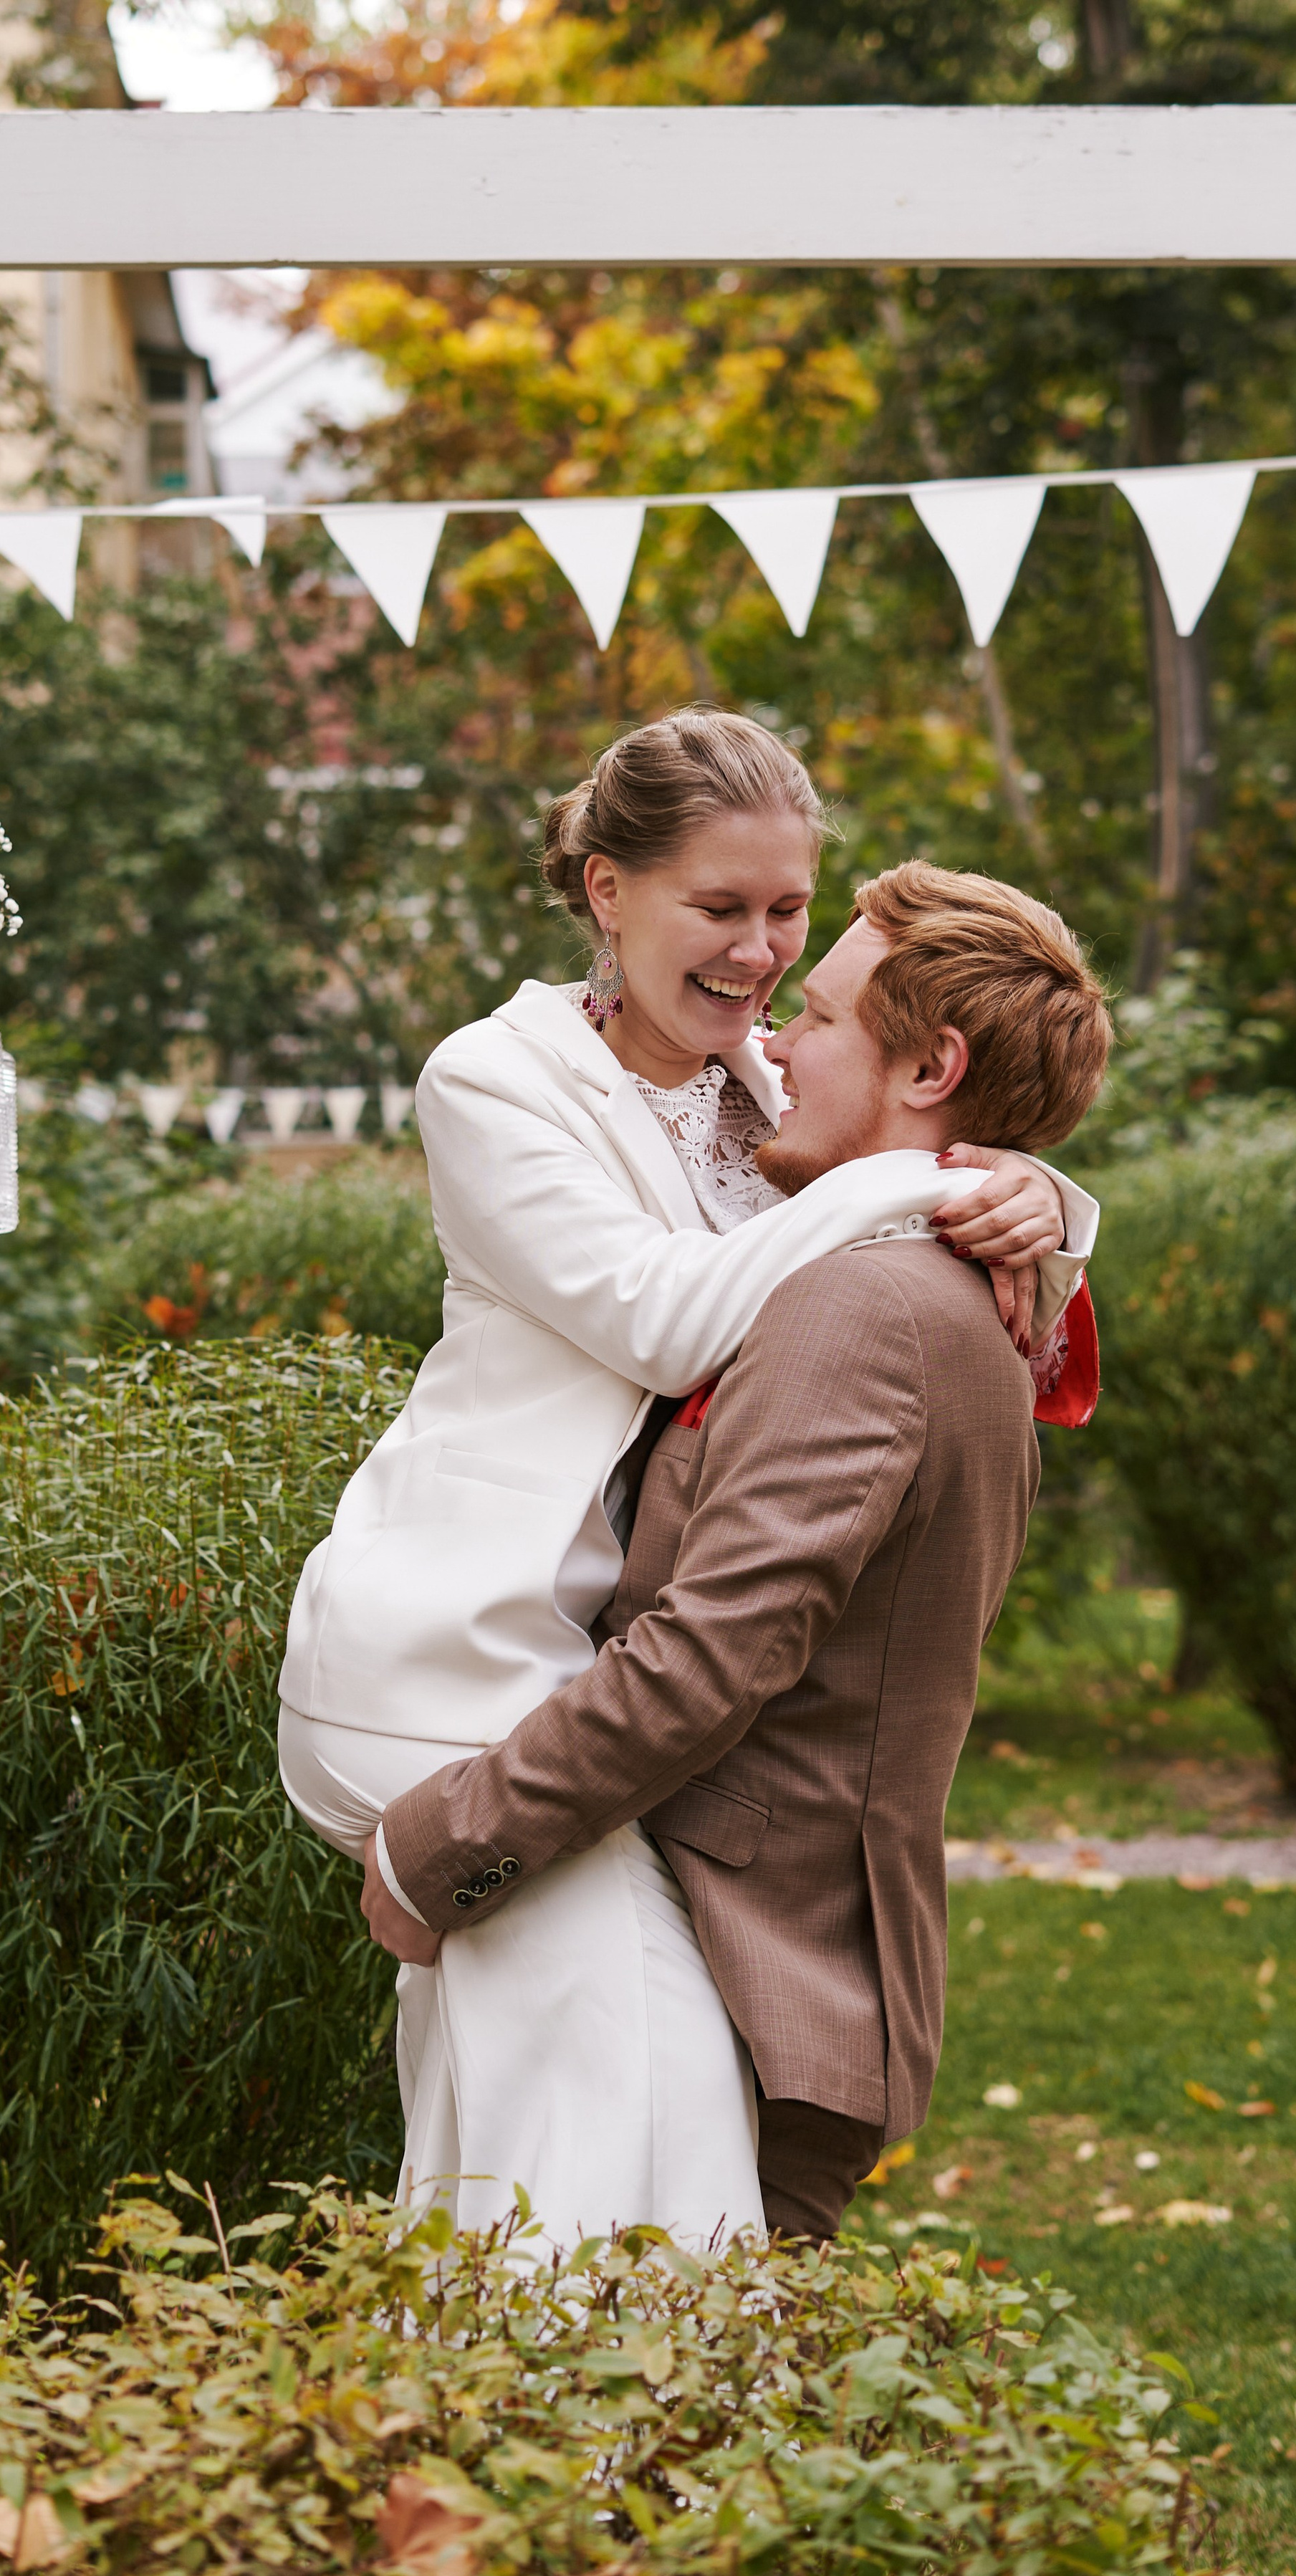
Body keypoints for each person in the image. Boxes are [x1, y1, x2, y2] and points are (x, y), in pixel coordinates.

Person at [275, 706, 1100, 2251]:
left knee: (526, 2144)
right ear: (606, 889)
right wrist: (923, 1176)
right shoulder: (496, 1078)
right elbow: (664, 1317)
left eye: (789, 911)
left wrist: (1027, 1183)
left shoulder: (765, 1088)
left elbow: (922, 1131)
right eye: (719, 907)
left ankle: (453, 2390)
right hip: (453, 1654)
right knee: (640, 2147)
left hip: (586, 1674)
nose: (762, 961)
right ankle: (591, 2389)